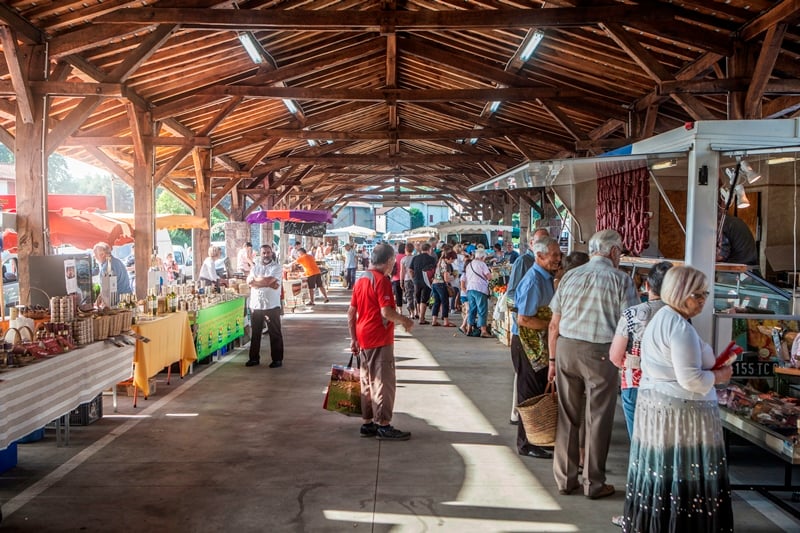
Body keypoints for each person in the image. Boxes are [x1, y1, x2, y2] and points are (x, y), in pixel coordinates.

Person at [618, 266, 734, 532]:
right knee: (681, 474)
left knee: (664, 472)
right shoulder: (678, 327)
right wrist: (720, 375)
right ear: (681, 293)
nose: (703, 300)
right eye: (698, 294)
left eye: (705, 293)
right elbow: (690, 379)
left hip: (663, 407)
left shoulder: (665, 319)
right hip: (681, 414)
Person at [547, 229, 638, 500]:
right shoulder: (621, 280)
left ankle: (565, 479)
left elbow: (554, 323)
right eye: (619, 252)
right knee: (598, 418)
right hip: (601, 353)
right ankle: (593, 483)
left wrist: (552, 359)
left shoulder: (570, 276)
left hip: (566, 348)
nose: (619, 257)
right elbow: (630, 324)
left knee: (568, 415)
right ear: (612, 252)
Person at [347, 243, 415, 440]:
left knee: (367, 381)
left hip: (363, 337)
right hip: (379, 337)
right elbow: (386, 311)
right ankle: (384, 424)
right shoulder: (381, 281)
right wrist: (405, 321)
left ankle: (367, 423)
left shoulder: (361, 279)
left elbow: (351, 313)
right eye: (393, 260)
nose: (394, 263)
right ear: (388, 261)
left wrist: (353, 338)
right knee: (384, 382)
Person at [609, 261, 673, 439]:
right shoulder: (680, 317)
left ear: (647, 285)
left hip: (635, 383)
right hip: (669, 386)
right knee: (662, 440)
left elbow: (615, 356)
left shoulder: (632, 314)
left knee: (639, 442)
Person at [511, 236, 562, 459]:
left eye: (559, 255)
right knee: (528, 394)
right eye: (554, 256)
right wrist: (553, 326)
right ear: (539, 256)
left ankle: (538, 438)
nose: (558, 260)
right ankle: (525, 443)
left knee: (539, 393)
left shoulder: (546, 278)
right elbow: (524, 319)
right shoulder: (533, 281)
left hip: (539, 345)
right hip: (527, 345)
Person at [245, 244, 284, 368]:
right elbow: (249, 282)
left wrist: (258, 282)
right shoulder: (255, 268)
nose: (266, 255)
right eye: (264, 253)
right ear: (260, 254)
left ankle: (277, 360)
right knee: (255, 333)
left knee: (275, 333)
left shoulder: (277, 267)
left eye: (268, 252)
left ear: (272, 253)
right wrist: (265, 283)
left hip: (271, 304)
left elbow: (270, 281)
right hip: (256, 305)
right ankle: (254, 358)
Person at [464, 248, 492, 337]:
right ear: (482, 257)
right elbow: (489, 277)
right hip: (480, 289)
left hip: (470, 289)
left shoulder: (469, 265)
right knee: (482, 310)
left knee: (472, 309)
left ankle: (469, 329)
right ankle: (483, 331)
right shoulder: (482, 264)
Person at [409, 242, 437, 325]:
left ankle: (418, 314)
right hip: (427, 281)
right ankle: (421, 318)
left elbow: (410, 270)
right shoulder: (432, 259)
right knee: (423, 300)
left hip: (416, 281)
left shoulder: (415, 258)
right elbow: (434, 271)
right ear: (429, 249)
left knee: (418, 299)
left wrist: (413, 279)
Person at [430, 251, 458, 327]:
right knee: (445, 303)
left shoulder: (440, 262)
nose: (453, 262)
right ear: (450, 258)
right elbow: (446, 279)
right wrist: (454, 276)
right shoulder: (446, 265)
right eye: (453, 260)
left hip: (435, 284)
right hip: (441, 285)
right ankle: (446, 321)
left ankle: (434, 320)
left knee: (436, 303)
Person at [400, 243, 416, 318]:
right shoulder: (415, 258)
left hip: (407, 279)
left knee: (409, 296)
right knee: (416, 295)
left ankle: (412, 313)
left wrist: (401, 281)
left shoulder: (403, 259)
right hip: (415, 279)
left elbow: (402, 271)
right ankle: (417, 312)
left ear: (405, 250)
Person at [392, 242, 405, 313]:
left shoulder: (395, 257)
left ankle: (400, 310)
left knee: (398, 294)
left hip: (396, 278)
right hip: (406, 278)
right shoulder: (407, 256)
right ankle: (413, 311)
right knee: (409, 295)